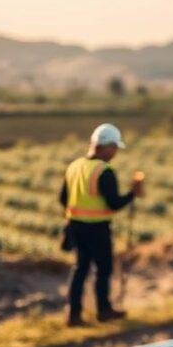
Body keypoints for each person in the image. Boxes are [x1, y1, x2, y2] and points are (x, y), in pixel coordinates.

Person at [58, 123, 144, 327]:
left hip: (75, 226)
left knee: (80, 269)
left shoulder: (74, 166)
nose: (114, 153)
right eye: (114, 148)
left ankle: (73, 314)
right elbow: (113, 203)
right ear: (105, 146)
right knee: (103, 270)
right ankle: (104, 311)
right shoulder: (104, 171)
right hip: (97, 228)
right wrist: (133, 194)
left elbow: (63, 198)